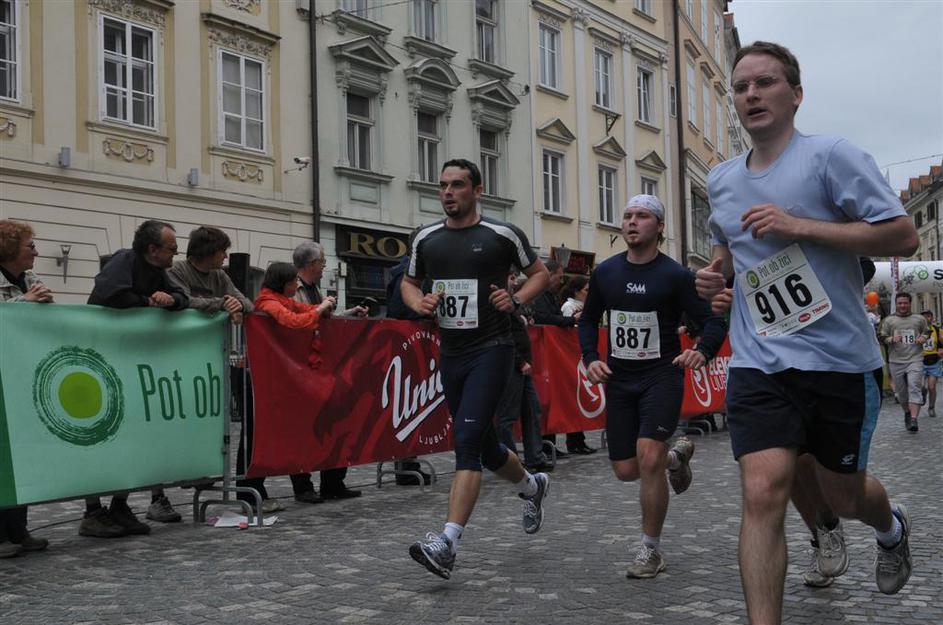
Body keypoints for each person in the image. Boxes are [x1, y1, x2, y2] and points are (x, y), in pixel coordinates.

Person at [695, 41, 917, 624]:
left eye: (765, 83)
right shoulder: (721, 180)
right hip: (760, 361)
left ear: (795, 94)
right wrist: (714, 278)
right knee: (762, 491)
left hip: (838, 360)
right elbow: (728, 255)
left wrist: (800, 226)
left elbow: (902, 235)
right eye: (741, 87)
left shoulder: (831, 157)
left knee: (844, 496)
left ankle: (891, 529)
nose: (751, 94)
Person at [402, 158, 551, 580]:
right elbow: (409, 283)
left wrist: (516, 300)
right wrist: (420, 303)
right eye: (443, 185)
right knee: (485, 447)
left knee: (466, 440)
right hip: (452, 353)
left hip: (493, 348)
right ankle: (533, 486)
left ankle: (447, 543)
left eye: (457, 185)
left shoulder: (501, 234)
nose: (448, 192)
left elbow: (540, 274)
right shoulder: (426, 238)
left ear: (477, 190)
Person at [580, 194, 727, 579]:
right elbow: (588, 320)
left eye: (642, 216)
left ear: (659, 227)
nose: (632, 221)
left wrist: (702, 351)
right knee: (626, 469)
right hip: (619, 379)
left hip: (661, 375)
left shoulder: (676, 276)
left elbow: (713, 321)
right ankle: (675, 458)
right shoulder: (606, 273)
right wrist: (590, 358)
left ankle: (651, 549)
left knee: (648, 457)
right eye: (628, 215)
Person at [82, 220, 189, 537]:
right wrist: (148, 302)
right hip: (103, 362)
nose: (175, 253)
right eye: (172, 248)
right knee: (99, 438)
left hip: (132, 363)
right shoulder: (124, 261)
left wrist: (171, 301)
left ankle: (120, 505)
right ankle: (92, 512)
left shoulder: (159, 271)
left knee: (133, 437)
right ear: (153, 249)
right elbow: (112, 294)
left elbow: (181, 296)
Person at [292, 241, 366, 500]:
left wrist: (350, 314)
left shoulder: (314, 288)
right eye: (322, 262)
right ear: (312, 264)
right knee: (303, 427)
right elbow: (300, 321)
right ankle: (302, 485)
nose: (324, 266)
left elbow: (325, 321)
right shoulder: (295, 289)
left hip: (323, 366)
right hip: (302, 367)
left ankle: (333, 482)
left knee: (334, 421)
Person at [0, 219, 52, 558]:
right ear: (9, 248)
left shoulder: (30, 279)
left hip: (21, 376)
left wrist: (46, 306)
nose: (36, 251)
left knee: (19, 457)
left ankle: (18, 530)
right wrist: (26, 303)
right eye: (30, 246)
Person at [532, 261, 594, 456]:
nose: (561, 280)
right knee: (549, 400)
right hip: (548, 356)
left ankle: (569, 441)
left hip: (558, 357)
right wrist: (570, 320)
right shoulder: (541, 296)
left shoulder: (550, 296)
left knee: (568, 396)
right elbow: (543, 318)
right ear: (548, 274)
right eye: (559, 276)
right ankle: (547, 445)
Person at [495, 271, 552, 473]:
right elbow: (504, 335)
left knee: (532, 410)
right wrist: (520, 361)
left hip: (522, 366)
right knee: (507, 416)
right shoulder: (498, 303)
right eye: (511, 278)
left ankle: (535, 456)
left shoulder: (512, 303)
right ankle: (510, 462)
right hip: (511, 364)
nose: (515, 282)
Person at [385, 254, 434, 486]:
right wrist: (424, 313)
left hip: (412, 346)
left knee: (411, 406)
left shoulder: (408, 272)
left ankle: (408, 464)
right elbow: (398, 309)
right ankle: (405, 467)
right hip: (407, 346)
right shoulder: (407, 274)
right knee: (407, 406)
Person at [878, 292, 929, 432]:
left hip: (915, 358)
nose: (902, 305)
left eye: (905, 303)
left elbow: (927, 331)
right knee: (901, 393)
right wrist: (891, 339)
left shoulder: (919, 319)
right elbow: (881, 336)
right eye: (900, 303)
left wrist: (923, 338)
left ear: (910, 303)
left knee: (914, 386)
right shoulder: (889, 320)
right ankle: (907, 412)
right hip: (896, 360)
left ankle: (914, 419)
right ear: (896, 304)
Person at [919, 309, 941, 418]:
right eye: (924, 316)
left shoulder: (937, 330)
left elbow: (941, 343)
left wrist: (941, 349)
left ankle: (931, 407)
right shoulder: (917, 330)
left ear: (932, 318)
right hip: (920, 362)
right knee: (921, 386)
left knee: (932, 387)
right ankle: (922, 395)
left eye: (928, 316)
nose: (926, 318)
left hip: (934, 362)